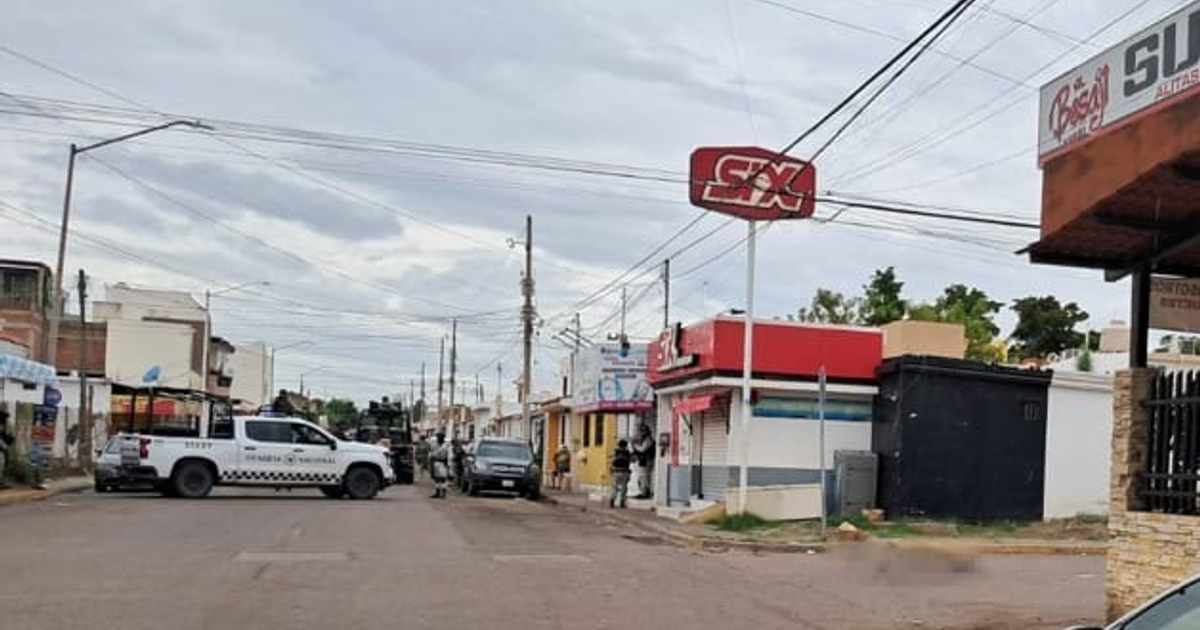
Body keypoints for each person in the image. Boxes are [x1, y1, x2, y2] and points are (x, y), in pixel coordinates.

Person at [631, 424, 656, 499]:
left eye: (642, 431)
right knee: (641, 477)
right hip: (643, 460)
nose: (640, 433)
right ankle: (643, 491)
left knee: (644, 477)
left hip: (647, 461)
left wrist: (635, 445)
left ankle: (645, 493)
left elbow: (642, 449)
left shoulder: (648, 439)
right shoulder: (644, 439)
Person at [609, 439, 632, 509]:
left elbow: (612, 461)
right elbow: (631, 460)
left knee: (615, 487)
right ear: (626, 446)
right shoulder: (627, 453)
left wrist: (611, 470)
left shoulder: (615, 452)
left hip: (616, 472)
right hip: (624, 472)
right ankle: (622, 502)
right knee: (624, 488)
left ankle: (612, 501)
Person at [429, 432, 450, 499]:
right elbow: (431, 453)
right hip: (436, 462)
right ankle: (437, 493)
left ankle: (443, 493)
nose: (439, 438)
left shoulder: (446, 445)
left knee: (443, 478)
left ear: (443, 438)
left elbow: (449, 455)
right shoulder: (434, 444)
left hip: (443, 462)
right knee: (436, 478)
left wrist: (448, 464)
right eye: (438, 437)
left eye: (440, 437)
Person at [0, 410, 12, 490]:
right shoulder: (1, 425)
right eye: (5, 417)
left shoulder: (3, 426)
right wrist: (4, 446)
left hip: (3, 449)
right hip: (1, 449)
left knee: (4, 464)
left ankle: (2, 482)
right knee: (1, 464)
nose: (6, 419)